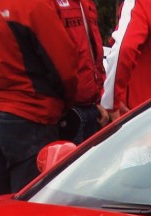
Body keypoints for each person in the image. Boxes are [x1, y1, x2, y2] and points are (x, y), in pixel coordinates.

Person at [0, 0, 95, 195]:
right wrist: (65, 105)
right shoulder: (34, 5)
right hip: (30, 115)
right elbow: (64, 65)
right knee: (30, 206)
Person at [59, 0, 109, 144]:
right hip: (67, 110)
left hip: (91, 106)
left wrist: (100, 98)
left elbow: (95, 55)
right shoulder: (52, 4)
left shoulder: (87, 4)